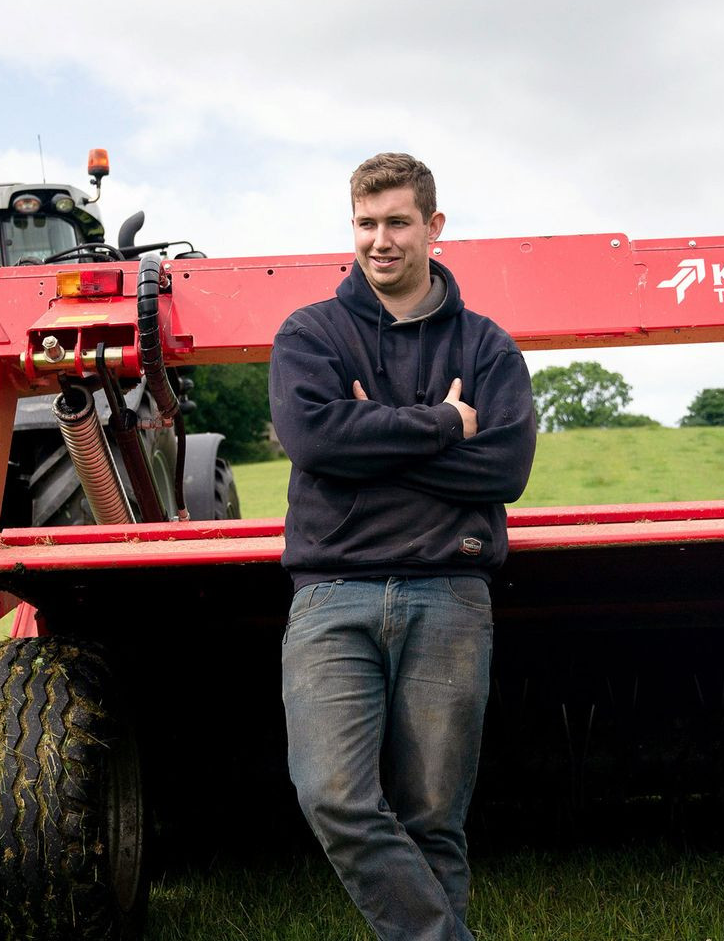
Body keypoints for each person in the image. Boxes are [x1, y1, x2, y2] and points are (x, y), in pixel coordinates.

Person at [270, 152, 537, 940]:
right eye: (365, 223)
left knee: (433, 819)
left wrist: (372, 438)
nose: (379, 240)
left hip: (449, 593)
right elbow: (315, 440)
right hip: (331, 594)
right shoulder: (310, 334)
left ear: (433, 226)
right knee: (333, 797)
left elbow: (506, 468)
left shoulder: (486, 346)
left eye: (397, 222)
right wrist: (443, 424)